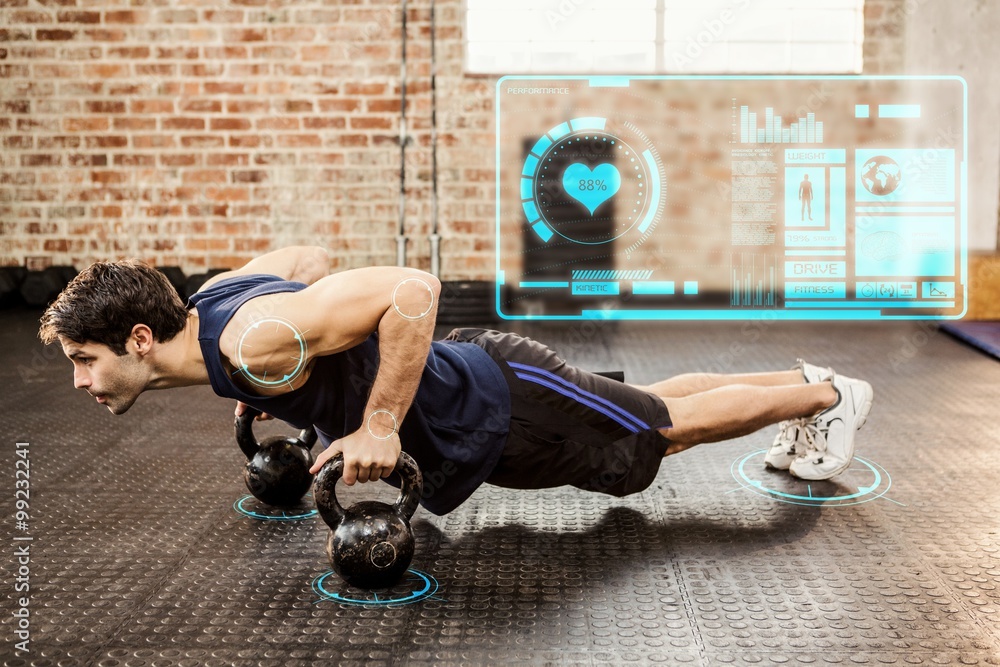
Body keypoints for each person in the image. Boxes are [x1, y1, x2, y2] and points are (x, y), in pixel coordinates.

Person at [37, 246, 874, 515]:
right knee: (652, 408)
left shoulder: (252, 342)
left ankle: (830, 399)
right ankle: (809, 379)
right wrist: (331, 389)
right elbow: (304, 263)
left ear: (139, 337)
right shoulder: (217, 304)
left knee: (657, 431)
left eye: (84, 359)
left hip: (502, 401)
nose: (79, 380)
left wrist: (377, 422)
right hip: (487, 393)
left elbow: (412, 291)